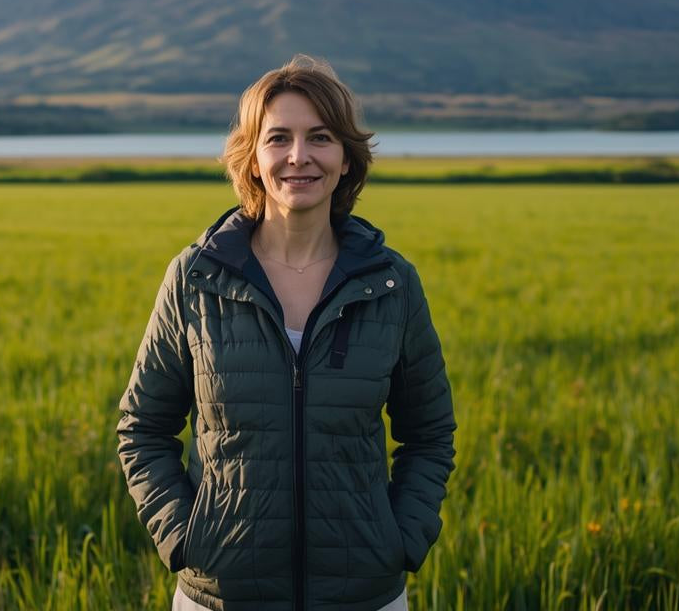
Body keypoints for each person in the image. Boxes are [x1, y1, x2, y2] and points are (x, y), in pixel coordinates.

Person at [117, 55, 456, 611]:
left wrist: (400, 539)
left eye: (320, 137)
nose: (299, 156)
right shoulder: (196, 278)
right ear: (252, 158)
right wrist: (184, 537)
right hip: (220, 596)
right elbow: (142, 427)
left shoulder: (391, 284)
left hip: (363, 596)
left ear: (347, 158)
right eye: (279, 138)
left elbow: (430, 433)